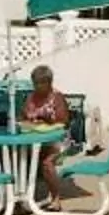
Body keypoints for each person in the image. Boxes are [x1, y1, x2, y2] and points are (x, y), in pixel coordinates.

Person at [18, 63, 72, 200]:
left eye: (41, 83)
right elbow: (23, 115)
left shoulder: (57, 98)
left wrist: (46, 119)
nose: (37, 86)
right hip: (35, 139)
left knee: (47, 163)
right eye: (35, 83)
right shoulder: (31, 97)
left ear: (49, 83)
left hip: (57, 141)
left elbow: (64, 120)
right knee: (18, 157)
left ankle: (56, 197)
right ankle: (21, 196)